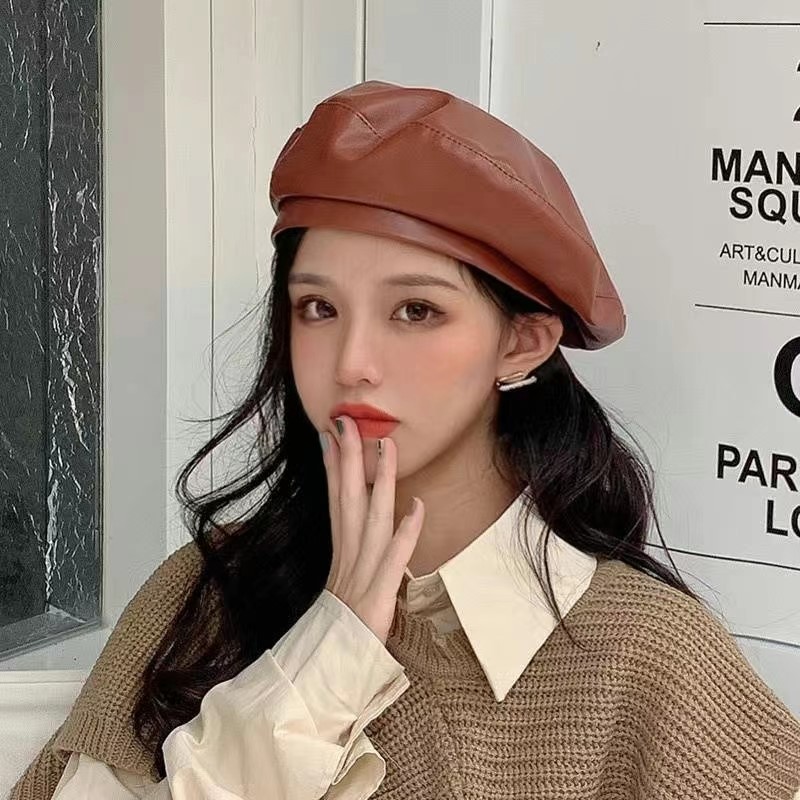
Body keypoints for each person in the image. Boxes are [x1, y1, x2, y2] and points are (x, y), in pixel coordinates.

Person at [10, 80, 800, 800]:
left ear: (521, 344)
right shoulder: (206, 589)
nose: (351, 363)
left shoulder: (647, 661)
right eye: (319, 308)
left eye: (416, 311)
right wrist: (323, 660)